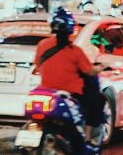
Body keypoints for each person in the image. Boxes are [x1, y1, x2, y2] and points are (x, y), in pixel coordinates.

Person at [34, 8, 107, 145]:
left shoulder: (42, 45)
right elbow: (89, 71)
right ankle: (89, 137)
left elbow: (38, 64)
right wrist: (101, 67)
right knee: (98, 100)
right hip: (72, 93)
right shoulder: (75, 51)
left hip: (46, 90)